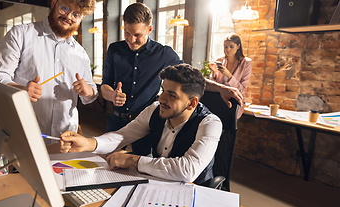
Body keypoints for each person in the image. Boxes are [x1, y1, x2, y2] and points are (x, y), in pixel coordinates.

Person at [59, 64, 222, 184]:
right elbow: (122, 135)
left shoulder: (210, 123)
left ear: (192, 103)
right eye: (162, 90)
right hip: (157, 183)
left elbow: (187, 171)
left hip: (196, 192)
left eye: (171, 95)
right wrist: (88, 143)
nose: (161, 98)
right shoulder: (155, 110)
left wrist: (133, 161)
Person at [0, 0, 98, 143]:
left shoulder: (80, 53)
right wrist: (20, 89)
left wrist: (88, 90)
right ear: (54, 2)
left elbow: (90, 94)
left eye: (76, 14)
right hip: (24, 135)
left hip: (65, 139)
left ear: (81, 18)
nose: (68, 17)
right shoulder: (20, 35)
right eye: (65, 8)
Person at [100, 2, 183, 155]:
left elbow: (190, 75)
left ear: (149, 29)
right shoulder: (114, 49)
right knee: (105, 162)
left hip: (147, 123)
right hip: (117, 121)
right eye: (127, 33)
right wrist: (112, 95)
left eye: (137, 35)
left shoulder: (164, 54)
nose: (131, 40)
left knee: (142, 169)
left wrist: (221, 87)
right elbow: (105, 85)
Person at [209, 34, 252, 118]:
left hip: (235, 103)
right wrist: (214, 72)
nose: (228, 49)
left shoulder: (246, 63)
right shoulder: (220, 61)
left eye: (231, 47)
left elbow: (242, 89)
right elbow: (214, 85)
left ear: (238, 46)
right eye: (226, 47)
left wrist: (229, 75)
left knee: (229, 129)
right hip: (218, 101)